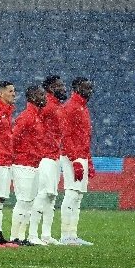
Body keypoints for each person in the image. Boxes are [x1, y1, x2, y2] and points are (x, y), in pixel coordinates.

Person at [59, 77, 96, 246]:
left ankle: (73, 234)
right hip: (71, 156)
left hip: (82, 155)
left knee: (78, 196)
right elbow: (66, 137)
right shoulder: (71, 107)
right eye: (85, 87)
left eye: (90, 87)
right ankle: (65, 235)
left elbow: (85, 138)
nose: (89, 90)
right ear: (76, 88)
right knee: (72, 193)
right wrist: (74, 160)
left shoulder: (83, 107)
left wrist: (89, 161)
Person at [31, 75, 66, 245]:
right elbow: (35, 127)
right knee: (43, 194)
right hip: (45, 156)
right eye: (59, 86)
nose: (64, 88)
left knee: (51, 196)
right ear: (51, 88)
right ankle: (32, 234)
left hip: (55, 156)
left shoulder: (58, 107)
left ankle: (46, 234)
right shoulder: (47, 107)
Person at [12, 85, 50, 245]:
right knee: (23, 201)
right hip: (23, 164)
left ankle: (22, 236)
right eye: (41, 95)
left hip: (33, 164)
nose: (45, 97)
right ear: (33, 97)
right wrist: (19, 156)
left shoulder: (37, 117)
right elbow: (14, 138)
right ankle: (15, 237)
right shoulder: (26, 116)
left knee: (29, 201)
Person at [0, 81, 21, 247]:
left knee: (0, 199)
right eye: (10, 91)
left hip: (5, 160)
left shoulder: (7, 113)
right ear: (1, 94)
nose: (13, 94)